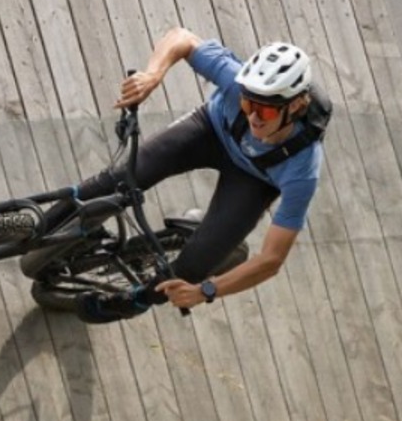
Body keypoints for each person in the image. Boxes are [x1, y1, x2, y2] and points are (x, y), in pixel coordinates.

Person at [67, 27, 328, 323]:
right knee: (117, 181)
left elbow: (271, 260)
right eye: (248, 104)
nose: (253, 117)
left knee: (191, 269)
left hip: (255, 180)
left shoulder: (303, 169)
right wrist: (153, 75)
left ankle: (133, 301)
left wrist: (206, 290)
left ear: (294, 106)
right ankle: (37, 222)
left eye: (266, 112)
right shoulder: (234, 81)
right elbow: (181, 38)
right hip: (212, 130)